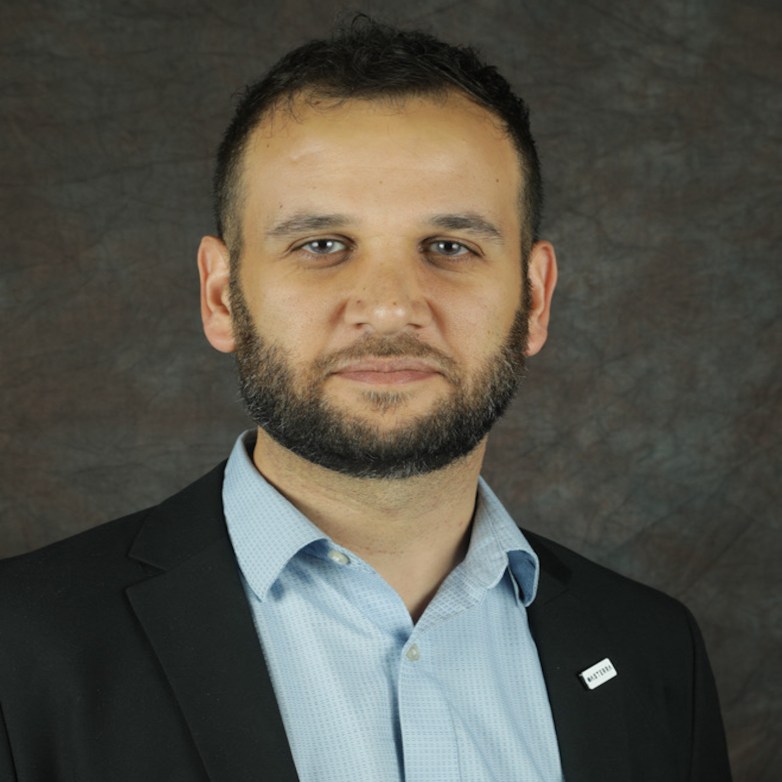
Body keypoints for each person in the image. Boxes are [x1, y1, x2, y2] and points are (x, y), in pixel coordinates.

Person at [0, 17, 731, 782]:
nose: (389, 307)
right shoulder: (19, 646)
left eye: (450, 247)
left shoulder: (653, 652)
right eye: (321, 245)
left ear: (536, 299)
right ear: (221, 297)